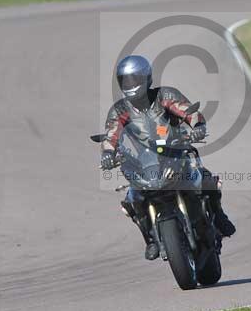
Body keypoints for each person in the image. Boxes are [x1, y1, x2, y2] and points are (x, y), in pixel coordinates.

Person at [100, 55, 236, 260]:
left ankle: (218, 215)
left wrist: (197, 126)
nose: (131, 85)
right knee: (131, 200)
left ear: (146, 78)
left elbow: (188, 111)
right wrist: (109, 154)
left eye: (135, 79)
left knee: (205, 180)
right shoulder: (120, 110)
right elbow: (111, 134)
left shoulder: (164, 95)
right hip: (144, 161)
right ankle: (151, 239)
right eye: (126, 81)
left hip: (174, 151)